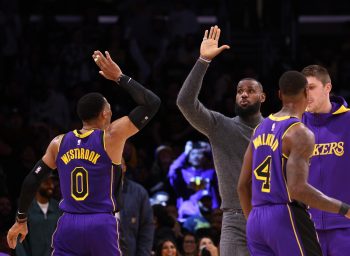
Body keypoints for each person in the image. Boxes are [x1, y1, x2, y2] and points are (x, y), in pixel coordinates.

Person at [6, 50, 161, 255]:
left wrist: (21, 220)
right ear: (105, 113)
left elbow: (31, 180)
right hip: (100, 222)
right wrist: (119, 77)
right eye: (110, 108)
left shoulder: (58, 143)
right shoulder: (111, 137)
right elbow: (152, 103)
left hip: (68, 222)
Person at [237, 70, 350, 255]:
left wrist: (253, 222)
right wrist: (344, 209)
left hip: (256, 219)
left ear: (279, 94)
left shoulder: (259, 128)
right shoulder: (299, 131)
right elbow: (297, 189)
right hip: (284, 214)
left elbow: (242, 185)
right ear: (306, 92)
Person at [176, 25, 265, 255]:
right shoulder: (221, 126)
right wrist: (202, 61)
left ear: (262, 97)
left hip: (269, 215)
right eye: (239, 90)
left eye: (250, 90)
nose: (243, 94)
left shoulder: (275, 129)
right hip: (234, 220)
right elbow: (185, 102)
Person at [301, 65, 350, 256]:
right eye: (303, 89)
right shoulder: (293, 126)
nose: (307, 94)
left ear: (327, 88)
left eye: (311, 87)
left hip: (345, 225)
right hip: (306, 227)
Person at [16, 175, 61, 256]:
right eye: (46, 182)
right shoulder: (25, 209)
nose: (50, 185)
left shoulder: (58, 207)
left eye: (52, 182)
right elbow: (19, 242)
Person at [120, 158, 154, 256]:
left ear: (124, 168)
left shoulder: (139, 193)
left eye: (119, 162)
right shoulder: (96, 192)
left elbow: (146, 228)